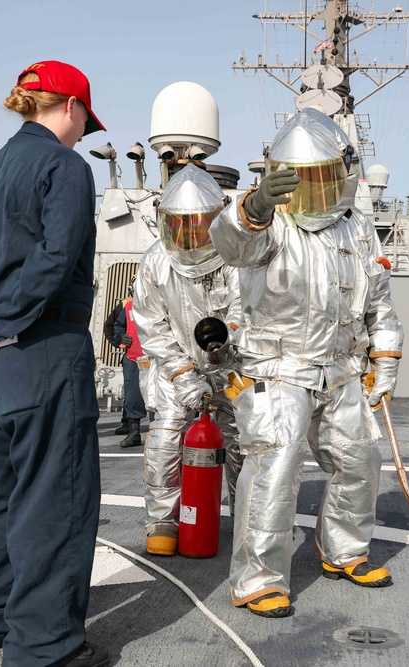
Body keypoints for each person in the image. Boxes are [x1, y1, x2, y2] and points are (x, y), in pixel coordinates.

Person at [209, 108, 403, 618]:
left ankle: (344, 551)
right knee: (275, 468)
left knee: (360, 460)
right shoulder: (267, 223)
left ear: (343, 175)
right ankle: (258, 579)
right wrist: (250, 208)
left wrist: (384, 356)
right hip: (277, 369)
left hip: (340, 368)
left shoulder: (358, 228)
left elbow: (378, 300)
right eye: (300, 181)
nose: (312, 193)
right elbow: (230, 242)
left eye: (322, 179)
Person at [0, 60, 109, 666]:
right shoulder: (64, 166)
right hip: (44, 353)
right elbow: (57, 256)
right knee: (54, 501)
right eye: (83, 122)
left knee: (0, 496)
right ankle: (43, 648)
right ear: (69, 108)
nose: (81, 133)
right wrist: (2, 319)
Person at [133, 164, 244, 557]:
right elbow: (153, 327)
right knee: (166, 439)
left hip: (232, 368)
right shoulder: (156, 262)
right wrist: (184, 376)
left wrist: (227, 340)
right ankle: (163, 519)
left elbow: (246, 311)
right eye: (180, 225)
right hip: (174, 370)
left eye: (200, 224)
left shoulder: (237, 258)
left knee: (242, 443)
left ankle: (246, 518)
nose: (190, 235)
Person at [112, 281, 147, 448]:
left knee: (160, 396)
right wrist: (120, 337)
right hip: (133, 358)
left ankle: (160, 433)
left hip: (156, 359)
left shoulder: (162, 304)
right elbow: (117, 326)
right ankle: (134, 433)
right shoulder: (128, 307)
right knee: (132, 396)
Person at [102, 293, 132, 436]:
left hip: (155, 354)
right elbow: (110, 326)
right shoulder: (127, 304)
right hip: (133, 355)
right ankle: (129, 424)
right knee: (131, 389)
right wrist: (119, 341)